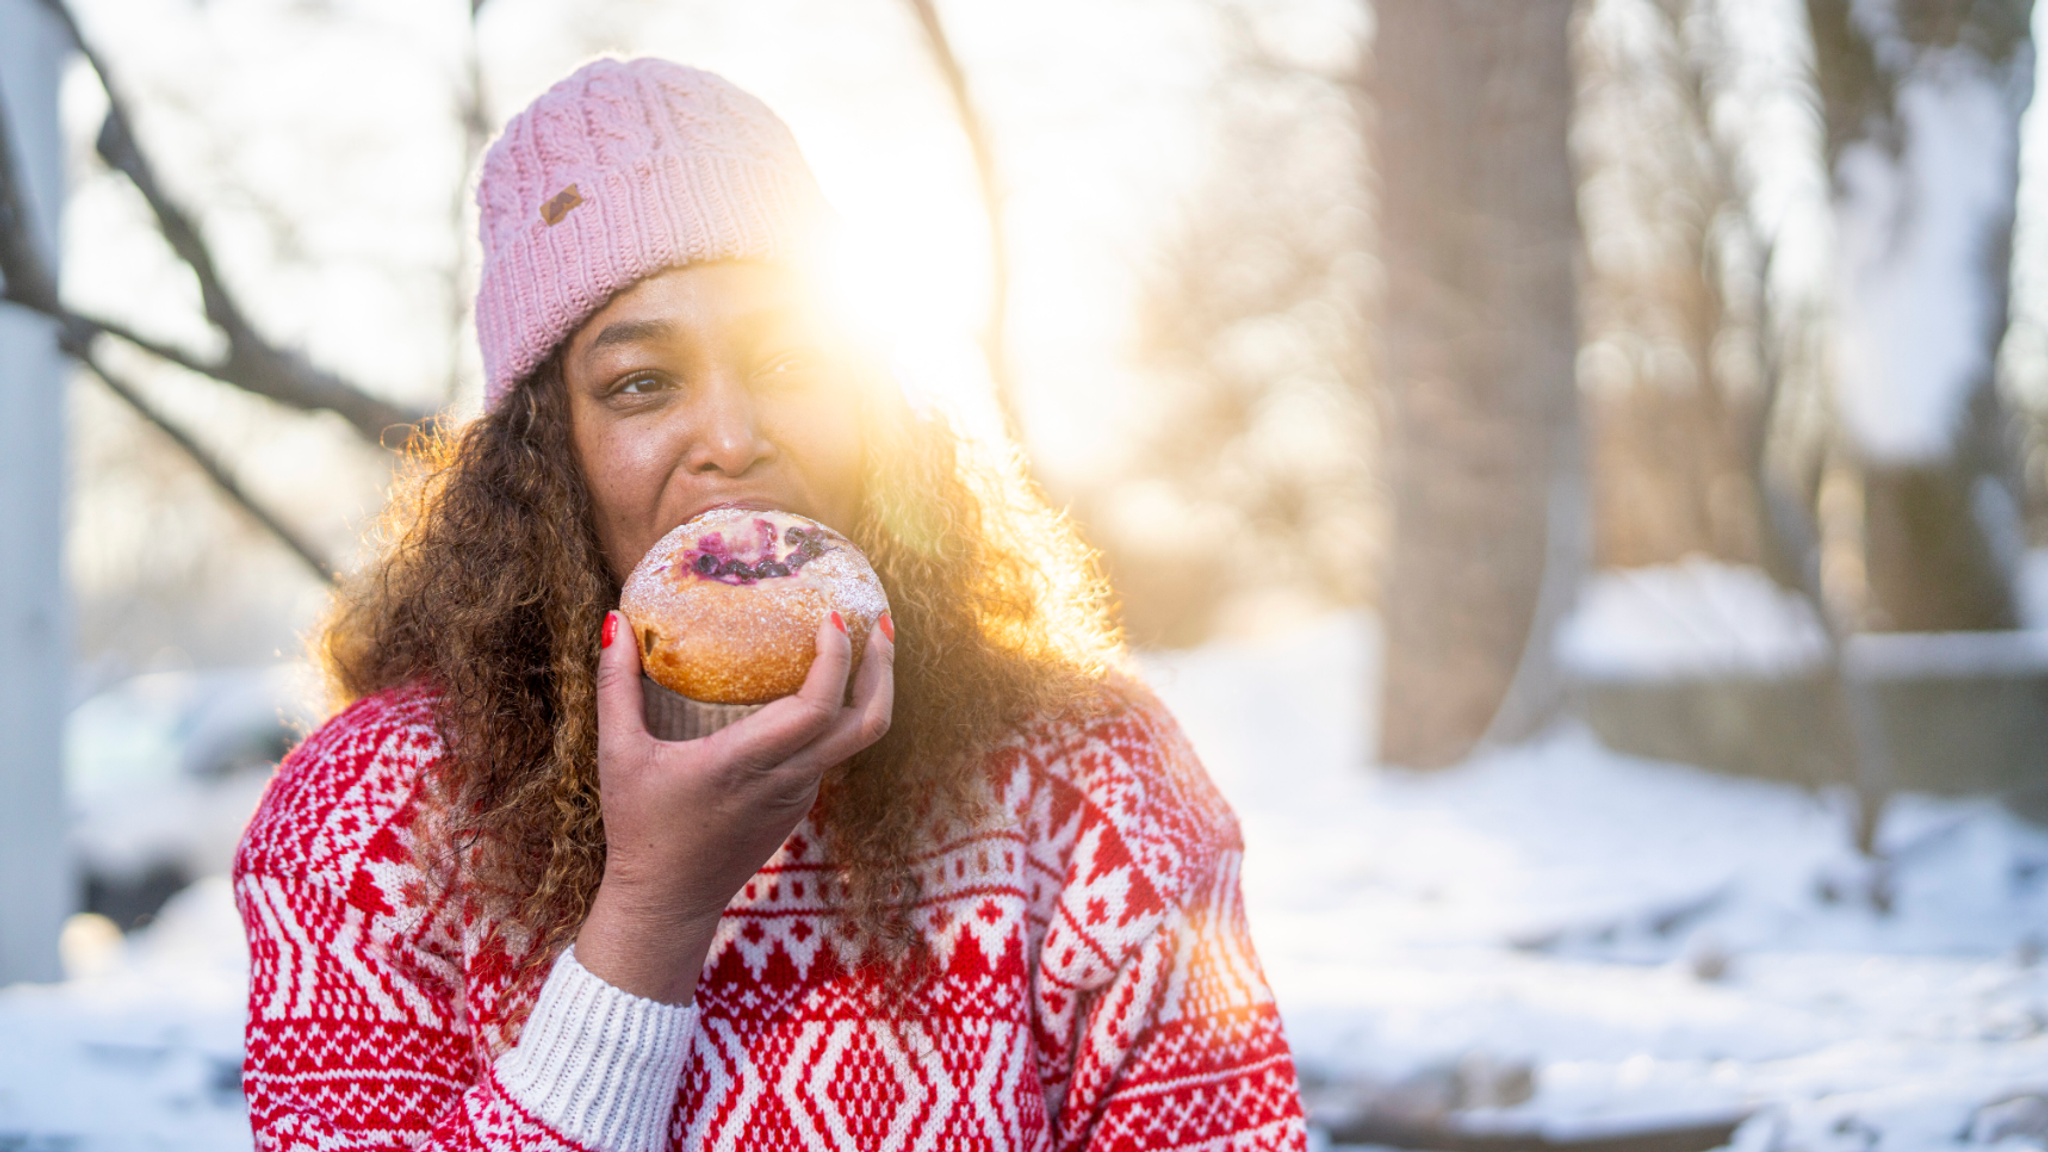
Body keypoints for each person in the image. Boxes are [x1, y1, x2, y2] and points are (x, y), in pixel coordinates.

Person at [234, 57, 1307, 1152]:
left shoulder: (1095, 783)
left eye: (792, 359)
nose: (735, 438)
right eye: (641, 384)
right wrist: (651, 912)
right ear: (544, 454)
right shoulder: (364, 824)